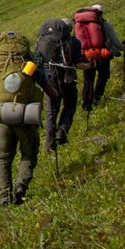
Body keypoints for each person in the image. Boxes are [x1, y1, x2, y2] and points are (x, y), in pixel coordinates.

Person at [0, 32, 59, 206]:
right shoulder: (30, 66)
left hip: (3, 117)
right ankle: (21, 186)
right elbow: (52, 93)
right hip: (26, 116)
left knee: (4, 158)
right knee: (29, 154)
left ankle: (4, 198)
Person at [35, 18, 91, 151]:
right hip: (68, 79)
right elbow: (79, 64)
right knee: (70, 105)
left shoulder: (42, 42)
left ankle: (49, 145)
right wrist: (90, 65)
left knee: (51, 112)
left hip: (49, 80)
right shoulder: (74, 42)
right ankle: (62, 131)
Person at [80, 4, 125, 110]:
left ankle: (86, 103)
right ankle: (97, 98)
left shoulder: (83, 26)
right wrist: (122, 47)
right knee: (103, 76)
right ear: (101, 13)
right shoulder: (105, 25)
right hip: (103, 56)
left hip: (88, 56)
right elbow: (115, 42)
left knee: (88, 80)